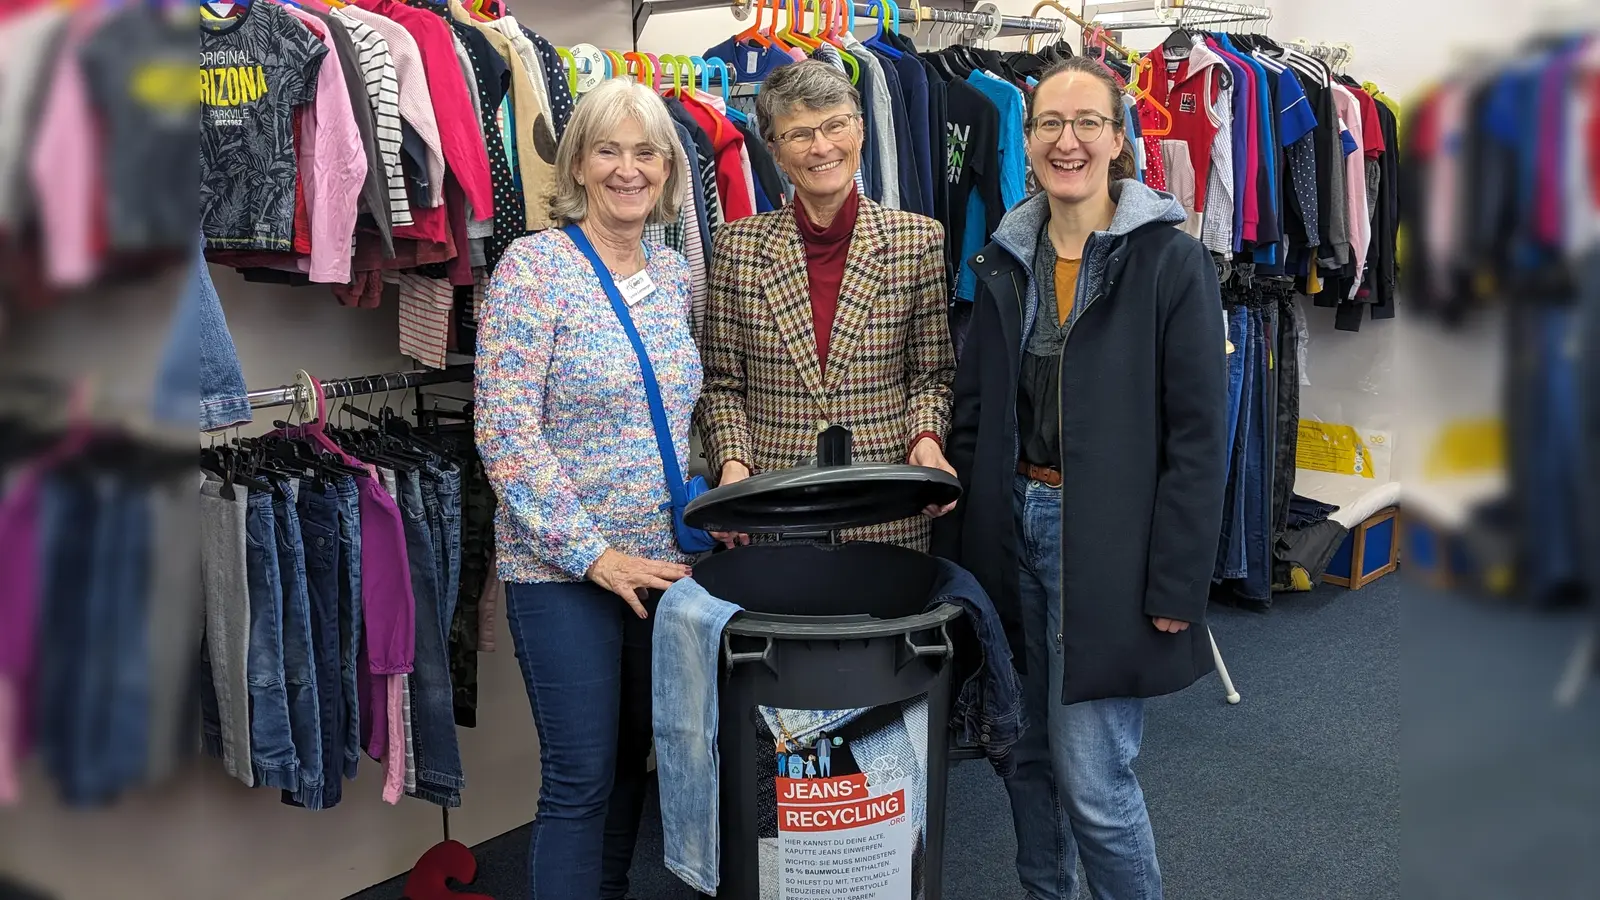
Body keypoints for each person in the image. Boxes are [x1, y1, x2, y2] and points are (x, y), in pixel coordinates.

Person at [932, 57, 1229, 900]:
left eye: (1087, 123)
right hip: (1009, 525)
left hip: (1106, 540)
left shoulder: (1170, 263)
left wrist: (1178, 581)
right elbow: (976, 415)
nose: (1069, 141)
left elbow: (1200, 439)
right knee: (1023, 756)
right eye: (1050, 125)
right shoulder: (1003, 260)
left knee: (1095, 781)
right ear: (1026, 144)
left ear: (1119, 138)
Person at [474, 77, 697, 900]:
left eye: (646, 152)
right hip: (563, 570)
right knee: (578, 781)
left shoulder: (673, 275)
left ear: (669, 169)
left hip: (664, 564)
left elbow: (674, 415)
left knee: (633, 765)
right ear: (578, 162)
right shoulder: (532, 270)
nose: (627, 169)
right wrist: (595, 555)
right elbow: (504, 432)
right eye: (608, 149)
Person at [696, 60, 956, 549]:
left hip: (886, 511)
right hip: (773, 511)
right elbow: (722, 383)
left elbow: (932, 376)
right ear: (773, 149)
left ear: (859, 129)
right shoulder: (738, 247)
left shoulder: (916, 241)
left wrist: (927, 439)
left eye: (835, 125)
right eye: (799, 134)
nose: (821, 147)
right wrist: (733, 465)